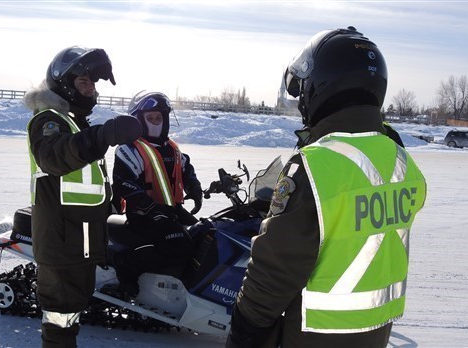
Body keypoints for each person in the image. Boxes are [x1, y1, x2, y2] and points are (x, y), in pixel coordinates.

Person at [226, 26, 427, 348]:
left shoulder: (316, 165)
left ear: (321, 86)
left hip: (314, 333)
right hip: (375, 330)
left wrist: (245, 328)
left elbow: (276, 267)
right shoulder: (399, 159)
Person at [23, 46, 142, 348]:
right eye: (84, 83)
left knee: (71, 313)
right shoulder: (48, 119)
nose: (91, 90)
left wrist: (111, 204)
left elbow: (84, 182)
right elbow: (54, 156)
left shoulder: (74, 121)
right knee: (60, 320)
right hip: (62, 241)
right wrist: (103, 135)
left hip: (79, 238)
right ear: (64, 83)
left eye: (93, 83)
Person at [111, 90, 203, 294]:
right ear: (138, 120)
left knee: (203, 235)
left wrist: (195, 188)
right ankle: (127, 266)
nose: (155, 121)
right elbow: (122, 182)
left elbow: (186, 170)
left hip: (170, 211)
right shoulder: (131, 150)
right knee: (180, 246)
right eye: (150, 118)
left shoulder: (172, 148)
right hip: (143, 214)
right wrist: (149, 207)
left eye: (159, 117)